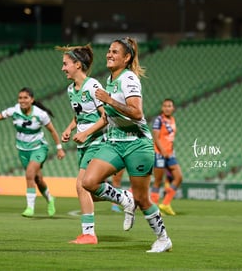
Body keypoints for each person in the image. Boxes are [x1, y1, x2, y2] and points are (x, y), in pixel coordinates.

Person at [81, 37, 172, 253]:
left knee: (142, 198)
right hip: (114, 141)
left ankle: (163, 238)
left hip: (137, 144)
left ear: (127, 57)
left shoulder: (128, 78)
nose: (109, 54)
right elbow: (109, 117)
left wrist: (109, 100)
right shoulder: (112, 79)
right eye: (109, 51)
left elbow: (137, 112)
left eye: (114, 52)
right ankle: (124, 197)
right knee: (89, 182)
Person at [0, 87, 65, 217]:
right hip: (23, 149)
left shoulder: (40, 114)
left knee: (30, 173)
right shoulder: (14, 111)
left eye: (25, 98)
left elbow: (52, 131)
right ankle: (50, 198)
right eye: (20, 98)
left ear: (32, 99)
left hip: (38, 147)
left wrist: (59, 148)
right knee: (37, 178)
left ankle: (30, 208)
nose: (22, 100)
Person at [56, 44, 108, 245]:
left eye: (65, 64)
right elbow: (80, 115)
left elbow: (105, 117)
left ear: (77, 65)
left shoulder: (93, 86)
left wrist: (86, 133)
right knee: (89, 189)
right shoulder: (71, 90)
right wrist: (70, 128)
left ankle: (89, 234)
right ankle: (124, 198)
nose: (63, 68)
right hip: (83, 144)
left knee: (81, 186)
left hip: (97, 141)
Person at [150, 98, 183, 216]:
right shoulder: (159, 120)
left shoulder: (172, 120)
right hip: (159, 154)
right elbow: (156, 137)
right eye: (165, 106)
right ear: (162, 108)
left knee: (178, 177)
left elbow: (170, 138)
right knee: (158, 181)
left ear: (173, 108)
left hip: (170, 154)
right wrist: (163, 151)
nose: (167, 108)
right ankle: (154, 209)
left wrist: (171, 151)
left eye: (169, 106)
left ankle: (165, 204)